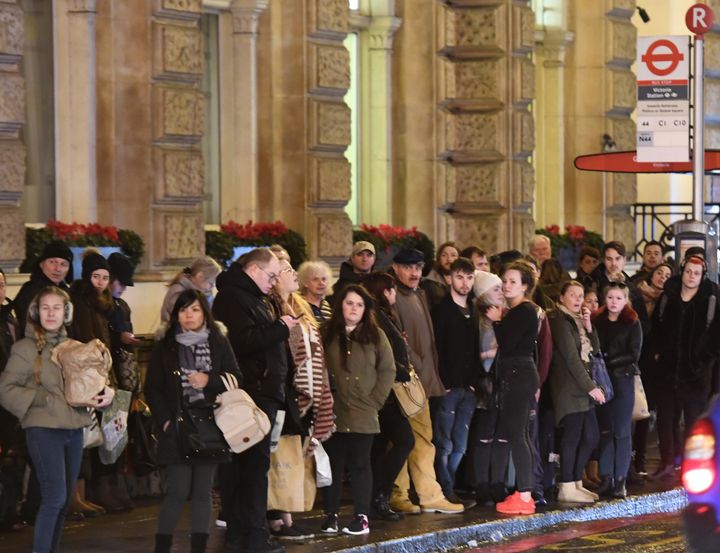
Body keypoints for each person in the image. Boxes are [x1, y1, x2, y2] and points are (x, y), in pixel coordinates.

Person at [0, 286, 114, 553]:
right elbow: (5, 390)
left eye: (57, 308)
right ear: (35, 312)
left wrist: (106, 393)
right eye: (45, 308)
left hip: (74, 428)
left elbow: (93, 382)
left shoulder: (72, 347)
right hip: (43, 429)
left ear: (66, 313)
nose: (51, 313)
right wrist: (44, 400)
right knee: (55, 497)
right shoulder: (25, 348)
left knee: (64, 502)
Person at [212, 248, 296, 553]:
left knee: (252, 468)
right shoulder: (233, 298)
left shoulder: (253, 297)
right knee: (247, 468)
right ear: (253, 270)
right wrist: (281, 328)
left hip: (264, 393)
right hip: (251, 395)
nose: (274, 282)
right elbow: (242, 341)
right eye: (271, 275)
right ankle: (252, 535)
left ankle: (248, 533)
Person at [145, 289, 242, 553]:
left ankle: (199, 547)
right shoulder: (166, 345)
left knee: (203, 492)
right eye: (184, 310)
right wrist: (165, 421)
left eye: (195, 309)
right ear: (176, 315)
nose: (189, 315)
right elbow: (152, 388)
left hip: (209, 424)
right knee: (177, 490)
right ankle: (162, 546)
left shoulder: (218, 342)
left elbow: (235, 377)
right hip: (177, 426)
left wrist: (208, 380)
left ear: (204, 313)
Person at [389, 248, 464, 515]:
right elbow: (398, 338)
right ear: (396, 267)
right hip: (406, 380)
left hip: (422, 379)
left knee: (421, 438)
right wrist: (418, 367)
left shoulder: (419, 294)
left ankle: (421, 494)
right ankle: (406, 494)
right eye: (409, 267)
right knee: (404, 440)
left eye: (419, 268)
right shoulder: (392, 296)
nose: (415, 273)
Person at [266, 258, 334, 540]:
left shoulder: (299, 305)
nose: (293, 274)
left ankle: (286, 517)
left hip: (305, 393)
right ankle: (279, 518)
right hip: (286, 393)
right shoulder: (272, 305)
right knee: (281, 461)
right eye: (287, 271)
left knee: (293, 460)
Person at [319, 285, 395, 536]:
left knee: (361, 465)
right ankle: (331, 516)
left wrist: (375, 400)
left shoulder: (376, 336)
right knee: (333, 465)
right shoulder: (327, 333)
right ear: (341, 305)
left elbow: (387, 370)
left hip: (364, 411)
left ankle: (361, 517)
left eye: (359, 305)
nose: (354, 308)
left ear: (366, 309)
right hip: (333, 410)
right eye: (350, 303)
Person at [69, 251, 131, 514]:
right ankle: (87, 492)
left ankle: (105, 487)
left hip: (107, 373)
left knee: (111, 431)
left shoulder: (108, 304)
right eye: (96, 276)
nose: (101, 282)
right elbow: (87, 338)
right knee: (90, 434)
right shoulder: (82, 301)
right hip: (89, 375)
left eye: (105, 277)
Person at [649, 256, 720, 481]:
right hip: (667, 371)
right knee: (666, 420)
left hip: (695, 374)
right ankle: (668, 462)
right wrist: (658, 354)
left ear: (702, 276)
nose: (691, 276)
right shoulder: (667, 297)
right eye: (688, 271)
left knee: (693, 423)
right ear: (682, 272)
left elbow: (716, 337)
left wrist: (704, 360)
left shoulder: (711, 300)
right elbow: (657, 328)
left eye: (696, 273)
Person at [485, 262, 539, 515]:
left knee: (518, 434)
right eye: (504, 280)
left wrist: (497, 322)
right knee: (521, 434)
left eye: (513, 282)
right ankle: (524, 491)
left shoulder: (523, 311)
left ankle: (525, 495)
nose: (506, 285)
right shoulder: (520, 311)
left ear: (525, 286)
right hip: (518, 373)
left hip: (518, 374)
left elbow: (508, 344)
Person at [363, 272, 415, 521]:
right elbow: (381, 353)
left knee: (379, 448)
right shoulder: (377, 318)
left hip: (387, 390)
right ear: (385, 291)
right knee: (405, 441)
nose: (395, 294)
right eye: (392, 289)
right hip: (384, 392)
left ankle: (375, 499)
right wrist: (401, 370)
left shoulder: (383, 316)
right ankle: (378, 495)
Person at [548, 281, 605, 503]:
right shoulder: (560, 321)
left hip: (582, 387)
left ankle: (575, 482)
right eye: (572, 294)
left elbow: (596, 351)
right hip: (568, 387)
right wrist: (591, 388)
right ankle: (567, 485)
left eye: (581, 295)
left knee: (590, 436)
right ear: (561, 297)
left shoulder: (579, 321)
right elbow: (571, 359)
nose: (578, 299)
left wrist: (590, 327)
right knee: (572, 437)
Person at [430, 257, 479, 502]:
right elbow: (437, 347)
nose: (465, 282)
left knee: (461, 445)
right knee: (445, 443)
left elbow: (475, 347)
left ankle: (449, 485)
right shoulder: (441, 310)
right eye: (460, 276)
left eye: (469, 277)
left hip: (468, 387)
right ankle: (444, 489)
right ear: (449, 278)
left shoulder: (474, 309)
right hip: (448, 386)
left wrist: (474, 383)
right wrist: (444, 382)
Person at [593, 282, 643, 499]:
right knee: (606, 430)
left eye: (619, 298)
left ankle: (620, 479)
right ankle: (606, 477)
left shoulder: (632, 321)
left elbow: (634, 353)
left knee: (622, 431)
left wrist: (609, 361)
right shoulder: (598, 321)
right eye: (610, 297)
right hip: (603, 380)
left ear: (626, 300)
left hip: (622, 378)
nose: (614, 302)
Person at [632, 262, 672, 478]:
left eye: (667, 274)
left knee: (646, 413)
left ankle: (641, 460)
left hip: (655, 364)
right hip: (635, 359)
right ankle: (632, 459)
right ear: (652, 274)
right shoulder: (636, 294)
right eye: (660, 273)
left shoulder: (668, 300)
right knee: (633, 413)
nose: (662, 277)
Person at [468, 271, 504, 505]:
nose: (501, 293)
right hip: (485, 384)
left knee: (501, 436)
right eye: (496, 289)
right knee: (484, 436)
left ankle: (497, 483)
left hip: (502, 384)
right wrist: (491, 352)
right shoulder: (477, 321)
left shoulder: (502, 317)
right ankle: (481, 484)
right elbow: (474, 353)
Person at [14, 241, 74, 336]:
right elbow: (28, 326)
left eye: (63, 264)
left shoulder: (68, 291)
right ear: (41, 264)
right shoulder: (30, 291)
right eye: (52, 262)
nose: (57, 268)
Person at [161, 257, 222, 323]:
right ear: (199, 276)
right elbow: (181, 320)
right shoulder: (178, 291)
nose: (212, 286)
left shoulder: (204, 292)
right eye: (210, 283)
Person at [422, 241, 460, 309]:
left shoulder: (463, 282)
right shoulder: (429, 283)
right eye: (444, 255)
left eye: (453, 255)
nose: (449, 259)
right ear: (438, 259)